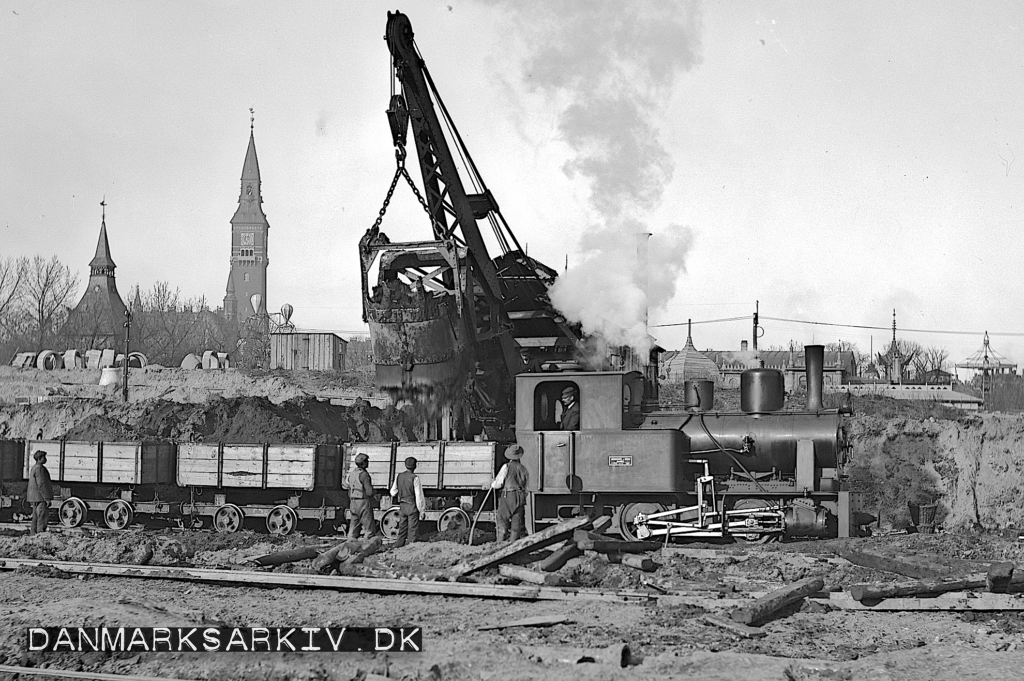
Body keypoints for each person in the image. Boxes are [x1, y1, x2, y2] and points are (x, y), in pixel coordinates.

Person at [490, 443, 529, 542]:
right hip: (520, 496)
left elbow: (498, 484)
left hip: (508, 495)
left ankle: (500, 543)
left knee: (502, 518)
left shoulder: (506, 467)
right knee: (517, 520)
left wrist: (492, 484)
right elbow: (526, 486)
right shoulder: (523, 469)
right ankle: (513, 544)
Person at [390, 456, 426, 548]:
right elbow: (419, 496)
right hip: (412, 506)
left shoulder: (399, 476)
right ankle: (409, 549)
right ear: (415, 466)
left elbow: (393, 492)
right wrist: (422, 511)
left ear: (405, 465)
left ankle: (397, 547)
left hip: (402, 506)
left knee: (402, 529)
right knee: (412, 530)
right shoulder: (415, 478)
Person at [347, 453, 377, 538]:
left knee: (353, 527)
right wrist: (376, 492)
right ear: (363, 463)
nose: (368, 463)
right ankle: (367, 546)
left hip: (353, 502)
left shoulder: (352, 474)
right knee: (369, 529)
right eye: (366, 461)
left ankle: (350, 546)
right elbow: (369, 492)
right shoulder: (364, 475)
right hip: (362, 502)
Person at [26, 450, 53, 535]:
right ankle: (40, 535)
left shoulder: (34, 467)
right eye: (44, 457)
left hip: (35, 497)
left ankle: (33, 535)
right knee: (41, 516)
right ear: (39, 459)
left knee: (35, 517)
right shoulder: (40, 469)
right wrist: (46, 498)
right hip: (40, 497)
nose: (45, 459)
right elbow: (41, 484)